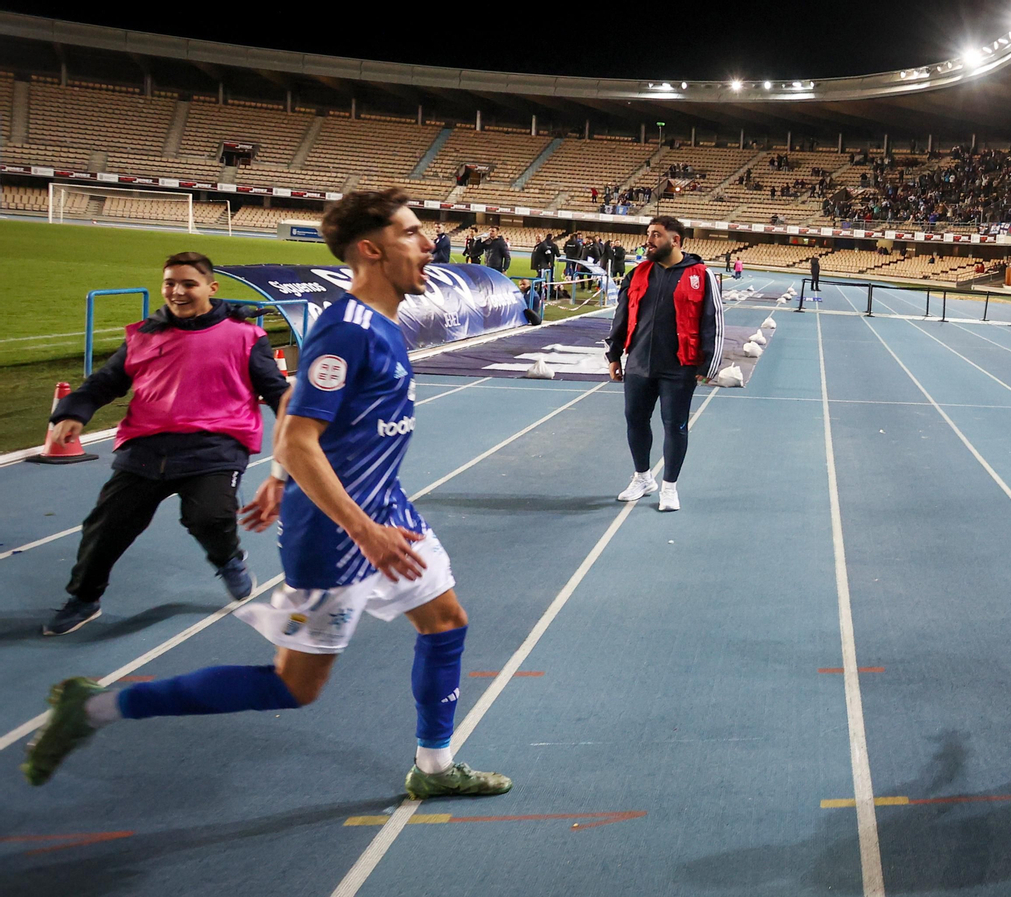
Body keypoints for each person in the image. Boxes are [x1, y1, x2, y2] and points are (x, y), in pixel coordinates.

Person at [23, 189, 513, 802]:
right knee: (294, 688)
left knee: (445, 623)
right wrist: (361, 528)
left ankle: (434, 769)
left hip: (385, 509)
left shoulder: (380, 325)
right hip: (339, 536)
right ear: (371, 248)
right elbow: (304, 439)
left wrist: (280, 478)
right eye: (411, 232)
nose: (429, 242)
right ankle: (92, 708)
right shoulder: (346, 332)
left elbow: (296, 418)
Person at [37, 252, 291, 636]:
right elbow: (106, 381)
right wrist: (72, 412)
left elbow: (277, 393)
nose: (178, 291)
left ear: (211, 287)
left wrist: (303, 437)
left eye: (189, 283)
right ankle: (84, 599)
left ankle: (229, 561)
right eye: (170, 283)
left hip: (216, 446)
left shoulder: (245, 337)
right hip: (146, 448)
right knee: (105, 528)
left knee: (210, 518)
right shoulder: (143, 334)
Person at [605, 215, 724, 512]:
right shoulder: (637, 274)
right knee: (635, 420)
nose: (649, 240)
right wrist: (614, 354)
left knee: (675, 426)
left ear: (675, 240)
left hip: (679, 366)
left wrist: (708, 365)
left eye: (656, 235)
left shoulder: (701, 275)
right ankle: (643, 478)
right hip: (638, 363)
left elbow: (714, 321)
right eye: (648, 234)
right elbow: (622, 317)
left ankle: (669, 487)